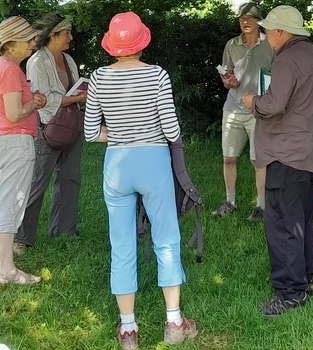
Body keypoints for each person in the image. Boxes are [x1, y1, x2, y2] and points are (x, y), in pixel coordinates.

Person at [84, 12, 197, 349]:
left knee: (121, 245)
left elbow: (91, 132)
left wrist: (119, 132)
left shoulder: (99, 79)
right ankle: (175, 322)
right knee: (166, 239)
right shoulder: (157, 75)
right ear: (142, 42)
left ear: (112, 46)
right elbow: (172, 129)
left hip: (117, 163)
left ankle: (128, 330)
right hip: (153, 162)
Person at [242, 5, 313, 317]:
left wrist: (253, 101)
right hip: (308, 151)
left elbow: (274, 104)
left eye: (267, 30)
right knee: (302, 220)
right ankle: (304, 282)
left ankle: (290, 293)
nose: (265, 35)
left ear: (280, 32)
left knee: (281, 223)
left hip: (285, 152)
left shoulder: (287, 58)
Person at [13, 13, 87, 254]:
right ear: (53, 35)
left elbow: (74, 88)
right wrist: (77, 97)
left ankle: (64, 230)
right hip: (47, 129)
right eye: (66, 33)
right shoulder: (37, 62)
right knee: (37, 183)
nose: (70, 37)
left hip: (71, 127)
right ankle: (22, 238)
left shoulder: (69, 59)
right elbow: (44, 100)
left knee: (70, 180)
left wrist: (81, 94)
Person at [0, 16, 46, 284]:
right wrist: (34, 103)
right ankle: (7, 271)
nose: (33, 44)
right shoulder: (10, 69)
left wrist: (30, 101)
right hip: (14, 142)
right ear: (12, 43)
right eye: (28, 39)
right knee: (11, 204)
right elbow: (15, 113)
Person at [211, 2, 273, 222]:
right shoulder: (232, 44)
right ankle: (230, 202)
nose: (246, 22)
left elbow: (280, 75)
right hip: (233, 108)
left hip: (259, 110)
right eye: (242, 19)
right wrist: (227, 80)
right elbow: (225, 71)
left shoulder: (271, 43)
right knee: (228, 159)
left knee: (258, 161)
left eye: (251, 19)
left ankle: (262, 207)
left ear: (259, 22)